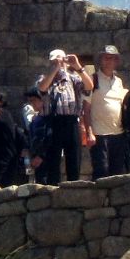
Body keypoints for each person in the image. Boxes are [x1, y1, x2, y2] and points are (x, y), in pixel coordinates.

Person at [34, 49, 92, 184]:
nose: (57, 64)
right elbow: (42, 88)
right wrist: (55, 69)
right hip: (53, 122)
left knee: (73, 159)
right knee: (53, 161)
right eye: (53, 62)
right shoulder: (44, 78)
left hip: (71, 122)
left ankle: (73, 189)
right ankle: (53, 190)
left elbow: (89, 86)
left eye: (59, 61)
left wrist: (78, 67)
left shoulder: (73, 78)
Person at [84, 45, 130, 179]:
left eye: (112, 58)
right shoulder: (92, 80)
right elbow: (85, 109)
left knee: (117, 173)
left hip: (118, 133)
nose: (109, 61)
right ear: (101, 60)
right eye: (106, 58)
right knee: (101, 171)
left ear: (116, 61)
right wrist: (89, 132)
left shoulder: (119, 82)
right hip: (99, 134)